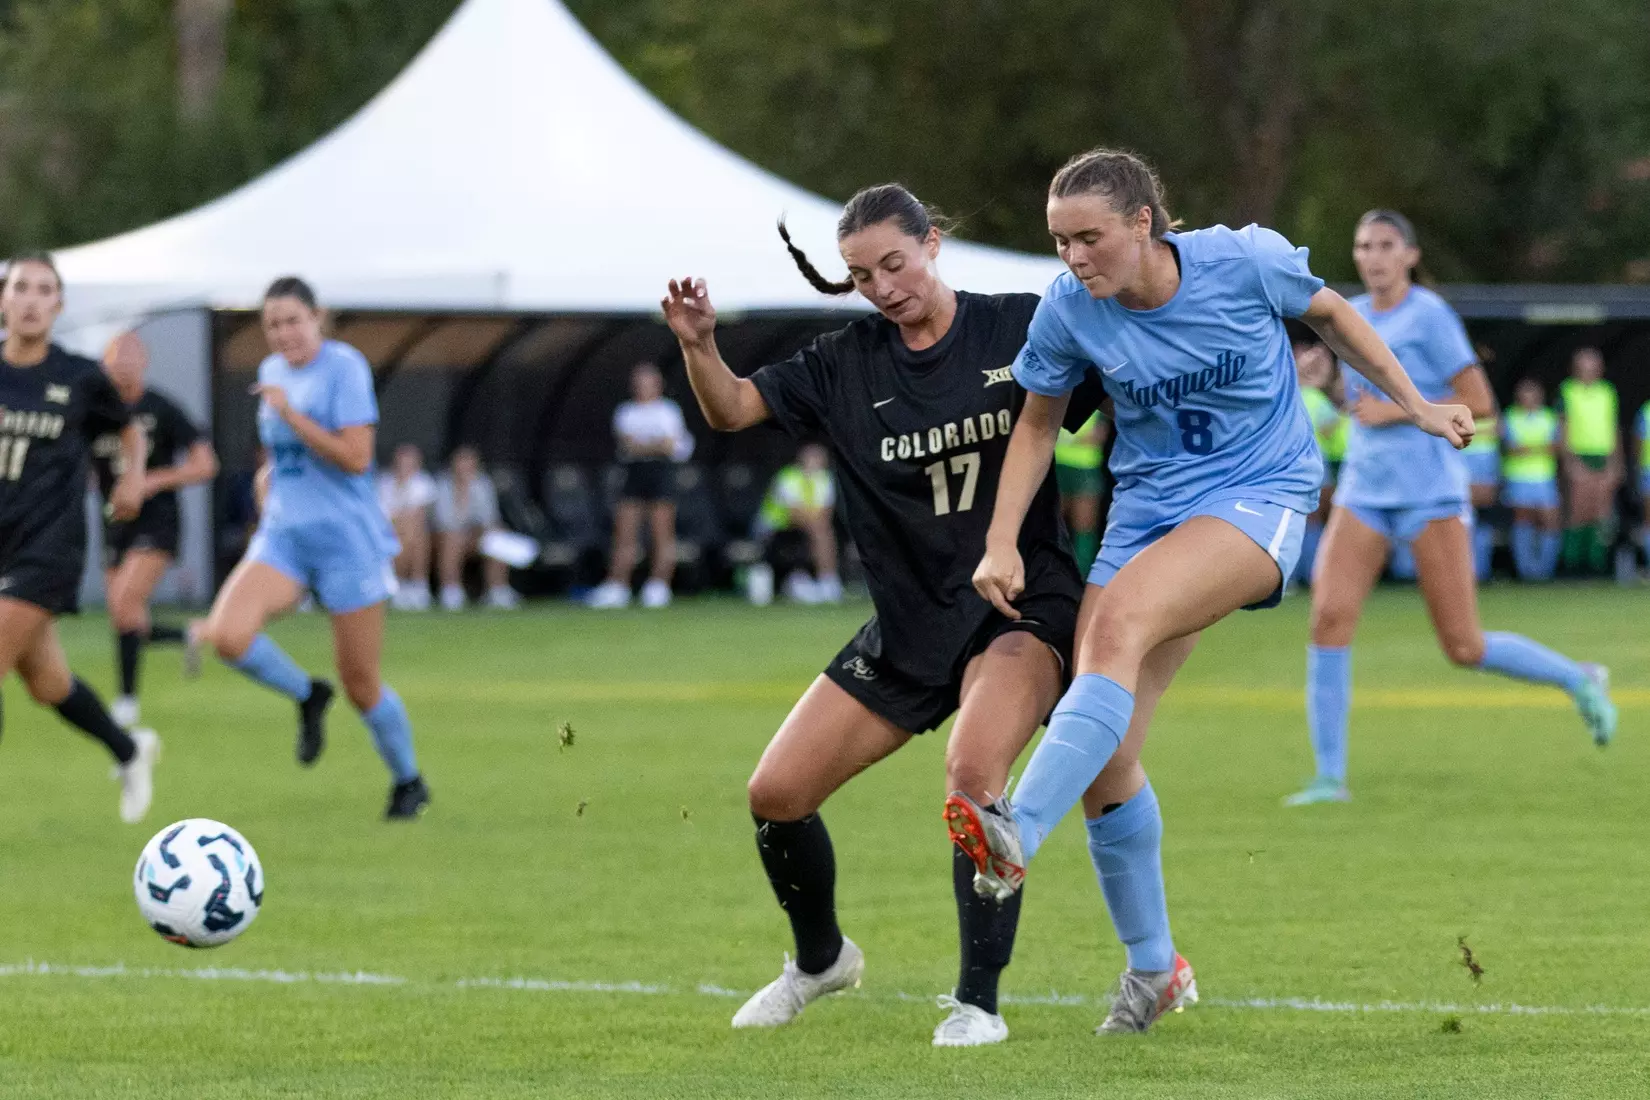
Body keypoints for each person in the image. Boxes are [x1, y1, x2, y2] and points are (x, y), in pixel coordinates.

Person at [940, 152, 1473, 1035]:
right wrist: (1000, 542)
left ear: (1143, 222)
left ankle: (1015, 832)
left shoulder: (1244, 260)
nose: (1073, 257)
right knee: (1107, 759)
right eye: (1060, 241)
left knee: (1118, 624)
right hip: (1146, 512)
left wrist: (1416, 405)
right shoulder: (1069, 307)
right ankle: (1155, 969)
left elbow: (1333, 316)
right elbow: (1036, 426)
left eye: (1089, 237)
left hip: (1260, 496)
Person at [661, 184, 1101, 1046]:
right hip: (908, 624)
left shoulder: (1019, 324)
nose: (883, 288)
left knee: (974, 776)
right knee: (776, 794)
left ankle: (978, 1004)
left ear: (932, 243)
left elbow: (1120, 389)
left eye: (894, 264)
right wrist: (699, 346)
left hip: (1020, 605)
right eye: (862, 276)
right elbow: (733, 408)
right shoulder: (844, 362)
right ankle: (820, 960)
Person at [1285, 212, 1614, 806]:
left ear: (1410, 256)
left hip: (1430, 494)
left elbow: (1479, 402)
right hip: (1364, 492)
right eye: (1363, 246)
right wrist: (1324, 384)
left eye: (1386, 245)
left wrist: (1399, 410)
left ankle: (1579, 677)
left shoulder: (1430, 315)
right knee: (1328, 620)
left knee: (1463, 646)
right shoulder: (1349, 313)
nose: (1373, 256)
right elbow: (1358, 403)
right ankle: (1329, 779)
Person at [196, 276, 430, 819]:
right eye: (272, 325)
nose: (283, 334)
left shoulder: (344, 368)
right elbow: (279, 456)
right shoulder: (272, 371)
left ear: (316, 317)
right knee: (228, 635)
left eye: (292, 321)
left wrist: (292, 416)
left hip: (346, 541)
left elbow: (356, 458)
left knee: (361, 684)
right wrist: (267, 483)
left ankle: (408, 781)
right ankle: (307, 695)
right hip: (285, 537)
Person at [0, 252, 159, 822]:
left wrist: (133, 476)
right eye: (21, 287)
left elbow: (129, 430)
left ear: (59, 305)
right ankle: (129, 749)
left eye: (44, 290)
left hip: (48, 546)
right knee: (47, 684)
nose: (31, 300)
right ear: (3, 299)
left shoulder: (80, 376)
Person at [92, 333, 217, 727]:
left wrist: (155, 479)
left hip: (156, 520)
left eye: (131, 356)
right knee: (124, 616)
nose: (123, 364)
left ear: (144, 360)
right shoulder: (95, 411)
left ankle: (126, 701)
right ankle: (189, 637)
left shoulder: (161, 408)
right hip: (114, 519)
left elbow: (205, 464)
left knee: (125, 603)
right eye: (116, 358)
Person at [587, 363, 694, 610]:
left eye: (648, 383)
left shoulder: (668, 411)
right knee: (625, 532)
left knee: (661, 532)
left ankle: (658, 586)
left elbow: (670, 445)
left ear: (658, 385)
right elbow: (628, 444)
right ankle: (618, 585)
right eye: (639, 383)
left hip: (661, 473)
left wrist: (647, 445)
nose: (643, 388)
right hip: (635, 473)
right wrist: (654, 444)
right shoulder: (626, 412)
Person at [1557, 347, 1621, 576]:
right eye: (1584, 365)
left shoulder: (1607, 392)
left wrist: (1616, 463)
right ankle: (1572, 565)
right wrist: (1569, 461)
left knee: (1601, 511)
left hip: (1602, 456)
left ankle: (1598, 564)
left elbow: (1613, 427)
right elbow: (1562, 428)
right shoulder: (1567, 390)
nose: (1588, 370)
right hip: (1579, 455)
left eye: (1593, 366)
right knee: (1577, 511)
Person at [753, 441, 842, 603]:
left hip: (808, 528)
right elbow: (794, 514)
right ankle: (826, 581)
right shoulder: (788, 477)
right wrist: (816, 526)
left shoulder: (824, 479)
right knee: (821, 533)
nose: (815, 462)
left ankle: (828, 583)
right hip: (775, 528)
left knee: (824, 532)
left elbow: (826, 513)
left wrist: (817, 526)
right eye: (812, 457)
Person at [432, 445, 518, 611]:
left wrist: (480, 530)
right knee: (452, 538)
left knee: (498, 535)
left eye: (469, 463)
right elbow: (444, 521)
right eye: (461, 462)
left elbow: (489, 518)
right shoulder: (442, 484)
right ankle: (451, 590)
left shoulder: (482, 484)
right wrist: (462, 495)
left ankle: (497, 589)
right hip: (445, 536)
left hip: (473, 535)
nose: (465, 467)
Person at [1294, 339, 1345, 585]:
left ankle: (1294, 576)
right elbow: (1330, 432)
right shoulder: (1315, 398)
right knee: (1314, 521)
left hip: (1294, 465)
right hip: (1317, 465)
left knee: (1300, 520)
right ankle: (1313, 574)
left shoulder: (1290, 397)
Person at [1502, 378, 1562, 581]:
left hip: (1544, 476)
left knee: (1549, 520)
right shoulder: (1510, 416)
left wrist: (1527, 448)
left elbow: (1557, 446)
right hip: (1518, 476)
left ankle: (1544, 571)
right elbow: (1510, 448)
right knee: (1523, 520)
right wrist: (1540, 447)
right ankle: (1525, 571)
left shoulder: (1549, 417)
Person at [378, 443, 436, 610]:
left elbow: (420, 515)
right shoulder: (383, 482)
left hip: (413, 532)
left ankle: (416, 585)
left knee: (415, 536)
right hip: (387, 532)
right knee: (406, 535)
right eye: (402, 462)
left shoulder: (423, 482)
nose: (405, 466)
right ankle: (405, 584)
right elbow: (382, 517)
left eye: (410, 463)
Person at [1054, 409, 1109, 574]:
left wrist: (1064, 439)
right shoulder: (1055, 396)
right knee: (1054, 523)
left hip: (1085, 469)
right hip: (1057, 466)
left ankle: (1084, 575)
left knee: (1084, 526)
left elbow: (1097, 435)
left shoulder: (1097, 403)